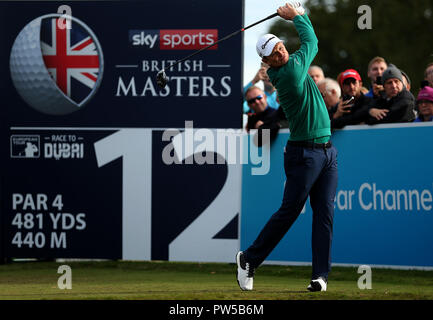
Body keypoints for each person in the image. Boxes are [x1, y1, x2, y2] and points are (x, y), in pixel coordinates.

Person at [236, 2, 338, 293]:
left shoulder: (289, 64)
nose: (281, 51)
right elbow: (312, 41)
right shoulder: (290, 72)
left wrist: (294, 16)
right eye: (274, 52)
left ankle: (320, 276)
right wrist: (297, 15)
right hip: (304, 153)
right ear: (267, 62)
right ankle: (249, 258)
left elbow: (304, 44)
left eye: (280, 46)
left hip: (327, 152)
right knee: (290, 211)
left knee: (325, 214)